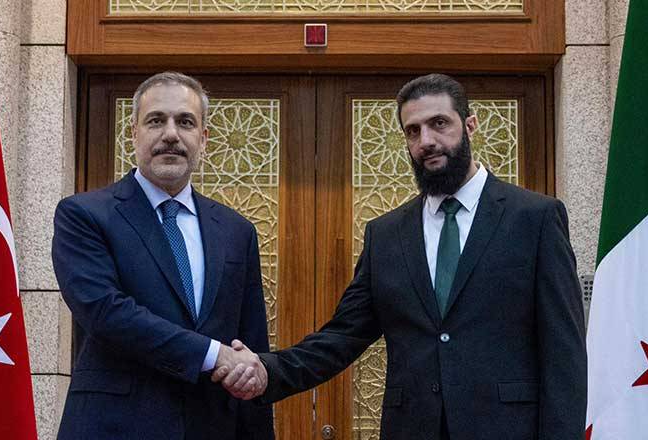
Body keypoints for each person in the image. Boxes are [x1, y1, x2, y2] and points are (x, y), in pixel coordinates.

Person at [216, 73, 586, 439]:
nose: (426, 141)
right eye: (413, 131)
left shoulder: (534, 218)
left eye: (439, 124)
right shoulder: (386, 235)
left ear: (470, 125)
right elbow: (342, 337)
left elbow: (563, 354)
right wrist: (268, 370)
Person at [52, 71, 273, 440]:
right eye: (156, 120)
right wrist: (213, 354)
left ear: (203, 139)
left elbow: (250, 344)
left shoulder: (237, 230)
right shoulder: (85, 215)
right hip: (115, 427)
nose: (171, 133)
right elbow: (106, 312)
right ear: (133, 133)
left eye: (185, 122)